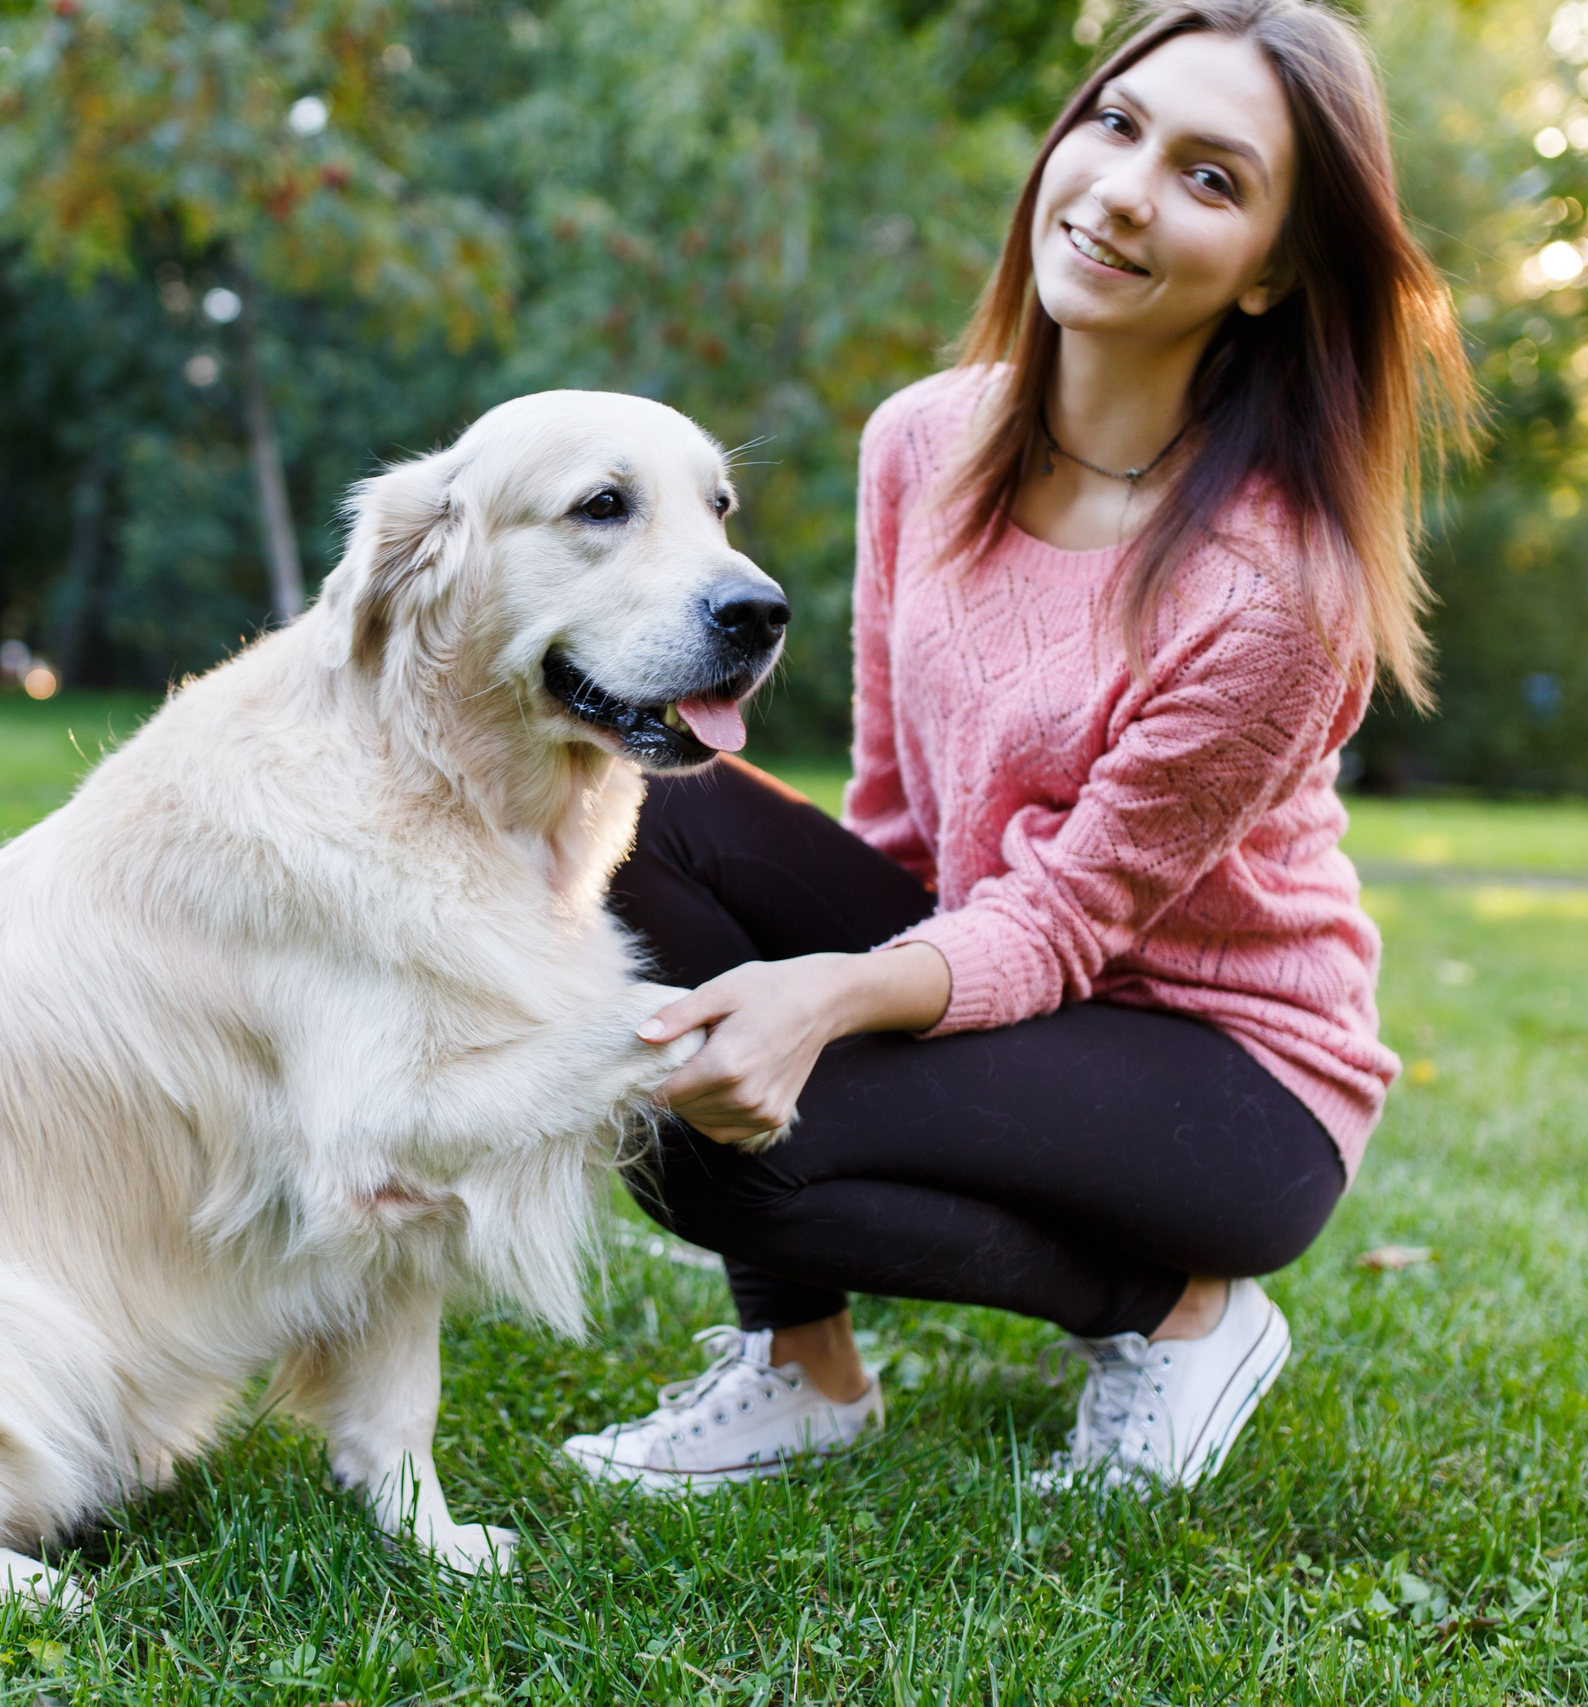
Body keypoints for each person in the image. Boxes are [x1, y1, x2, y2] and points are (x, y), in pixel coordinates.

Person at [560, 0, 1475, 1495]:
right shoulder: (923, 441)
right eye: (1115, 124)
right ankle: (805, 1371)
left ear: (1277, 271)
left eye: (1210, 177)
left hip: (1224, 1075)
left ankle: (1177, 1313)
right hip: (990, 963)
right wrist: (821, 967)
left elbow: (1064, 924)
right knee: (633, 810)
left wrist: (831, 1003)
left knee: (721, 1139)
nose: (1122, 189)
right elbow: (901, 811)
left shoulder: (1277, 596)